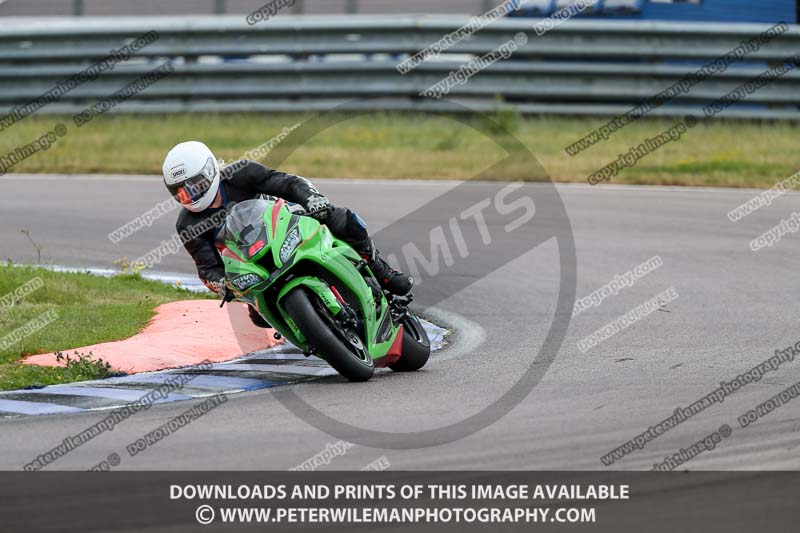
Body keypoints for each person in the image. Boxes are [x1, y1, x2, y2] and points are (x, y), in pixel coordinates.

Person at [162, 141, 412, 326]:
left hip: (289, 222)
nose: (190, 196)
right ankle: (312, 330)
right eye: (181, 192)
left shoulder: (240, 173)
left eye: (195, 187)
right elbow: (207, 268)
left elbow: (285, 182)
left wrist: (312, 199)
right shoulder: (188, 224)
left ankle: (381, 270)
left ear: (210, 172)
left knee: (340, 218)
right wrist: (222, 285)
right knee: (258, 317)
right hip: (253, 262)